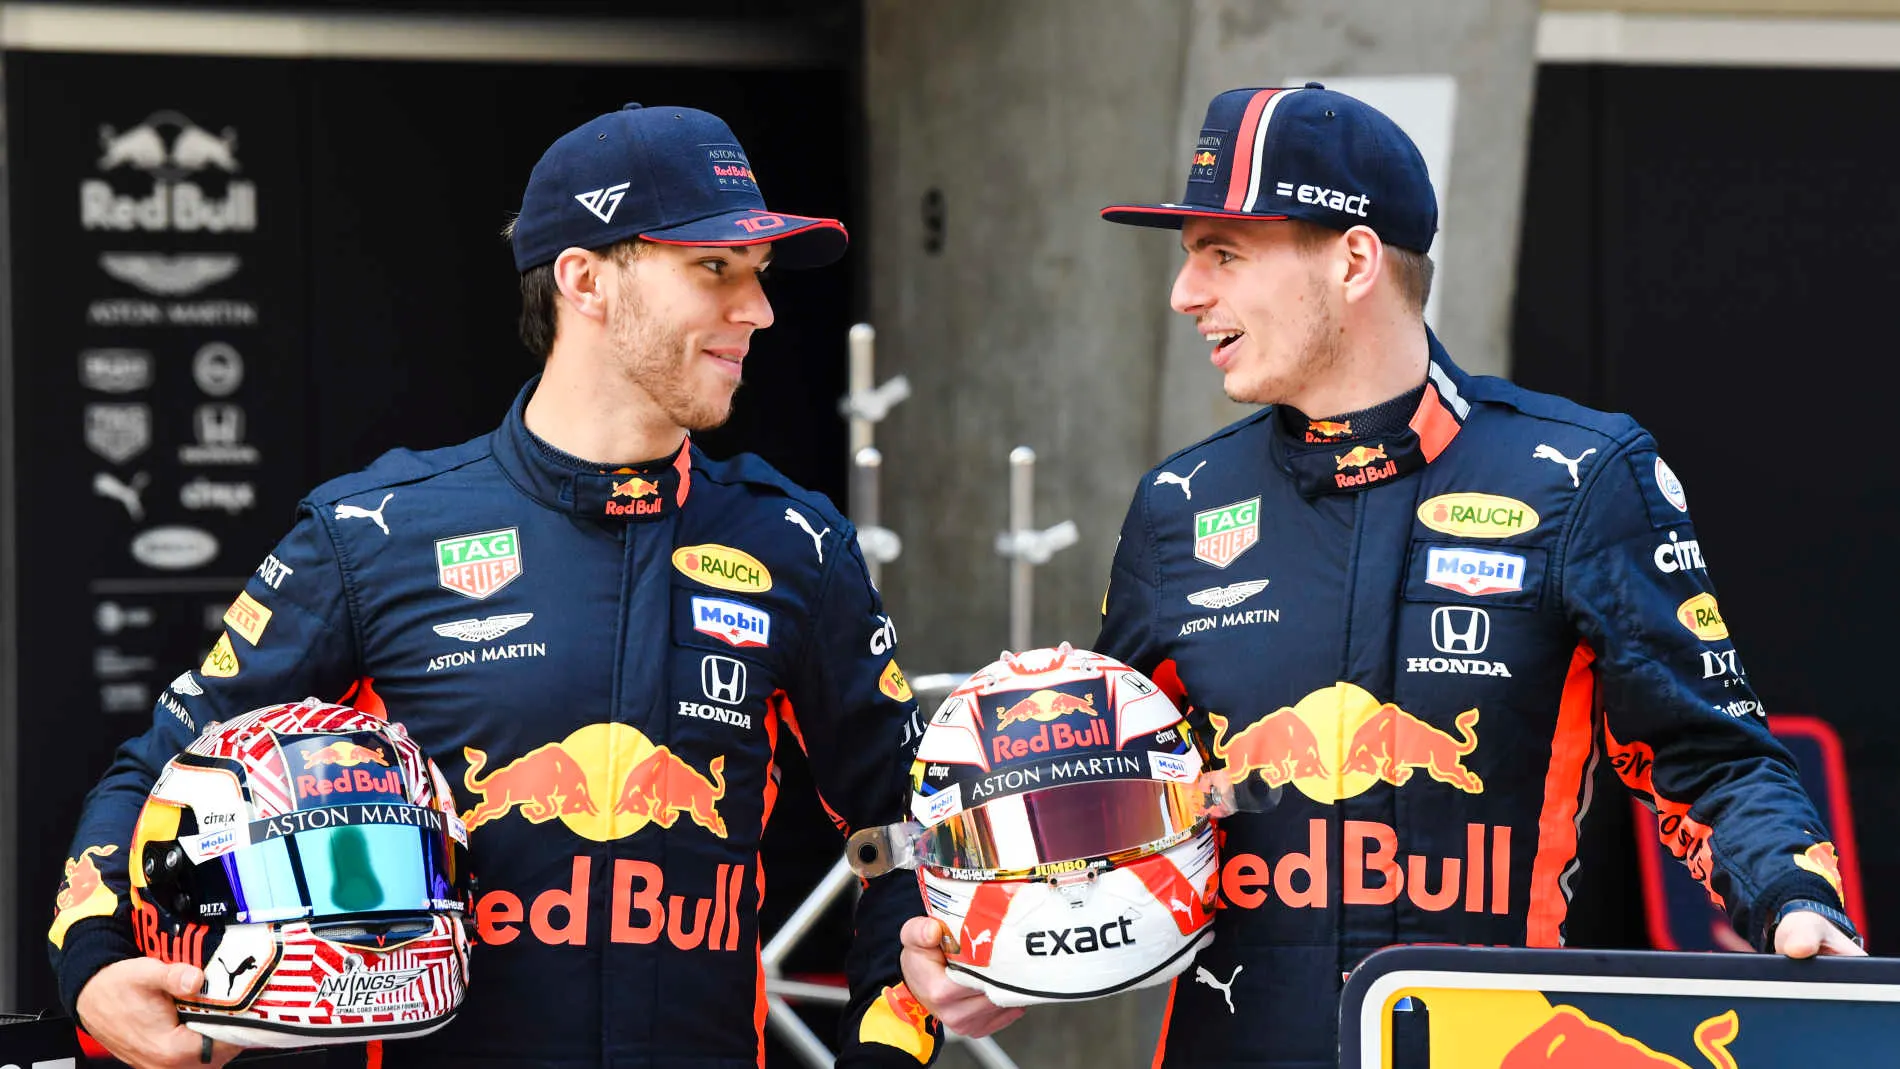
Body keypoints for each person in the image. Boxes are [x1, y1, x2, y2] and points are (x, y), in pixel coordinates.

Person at [900, 84, 1865, 1066]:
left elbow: (1710, 757)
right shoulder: (1177, 504)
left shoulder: (1581, 475)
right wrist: (967, 946)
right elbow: (1096, 783)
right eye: (1189, 256)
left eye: (1221, 254)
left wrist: (1793, 898)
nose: (1185, 294)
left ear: (1353, 257)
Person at [50, 102, 941, 1069]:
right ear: (584, 278)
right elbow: (158, 772)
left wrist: (889, 1047)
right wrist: (94, 966)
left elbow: (907, 821)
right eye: (714, 269)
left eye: (759, 276)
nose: (759, 311)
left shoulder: (794, 540)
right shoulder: (375, 532)